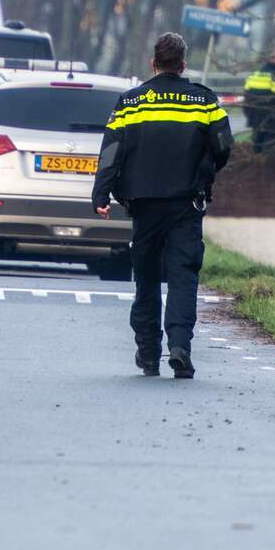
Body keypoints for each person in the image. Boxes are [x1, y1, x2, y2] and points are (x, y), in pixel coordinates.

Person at [92, 32, 233, 379]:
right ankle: (180, 346)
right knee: (184, 275)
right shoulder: (204, 101)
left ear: (153, 64)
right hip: (186, 203)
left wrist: (101, 194)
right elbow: (224, 145)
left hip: (144, 204)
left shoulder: (130, 103)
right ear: (183, 64)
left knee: (147, 277)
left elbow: (112, 151)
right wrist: (206, 171)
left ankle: (149, 352)